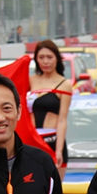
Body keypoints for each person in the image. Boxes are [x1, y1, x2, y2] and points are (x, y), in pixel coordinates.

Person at [26, 40, 72, 170]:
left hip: (53, 141)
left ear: (57, 58)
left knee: (55, 182)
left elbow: (62, 120)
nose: (45, 61)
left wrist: (58, 150)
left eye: (49, 57)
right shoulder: (30, 81)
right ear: (36, 59)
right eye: (41, 57)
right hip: (32, 141)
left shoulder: (64, 84)